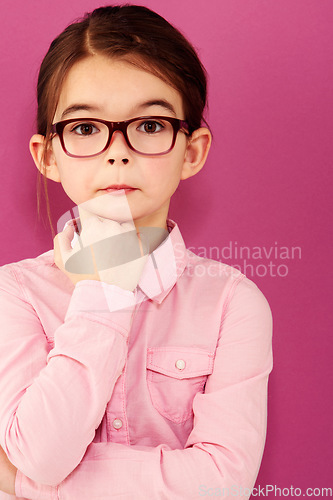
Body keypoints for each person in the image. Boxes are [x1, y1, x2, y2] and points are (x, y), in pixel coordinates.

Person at [0, 5, 273, 499]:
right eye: (85, 128)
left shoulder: (233, 302)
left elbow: (223, 482)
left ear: (191, 151)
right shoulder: (12, 294)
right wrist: (103, 288)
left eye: (150, 125)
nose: (117, 150)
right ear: (47, 155)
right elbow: (43, 451)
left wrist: (26, 484)